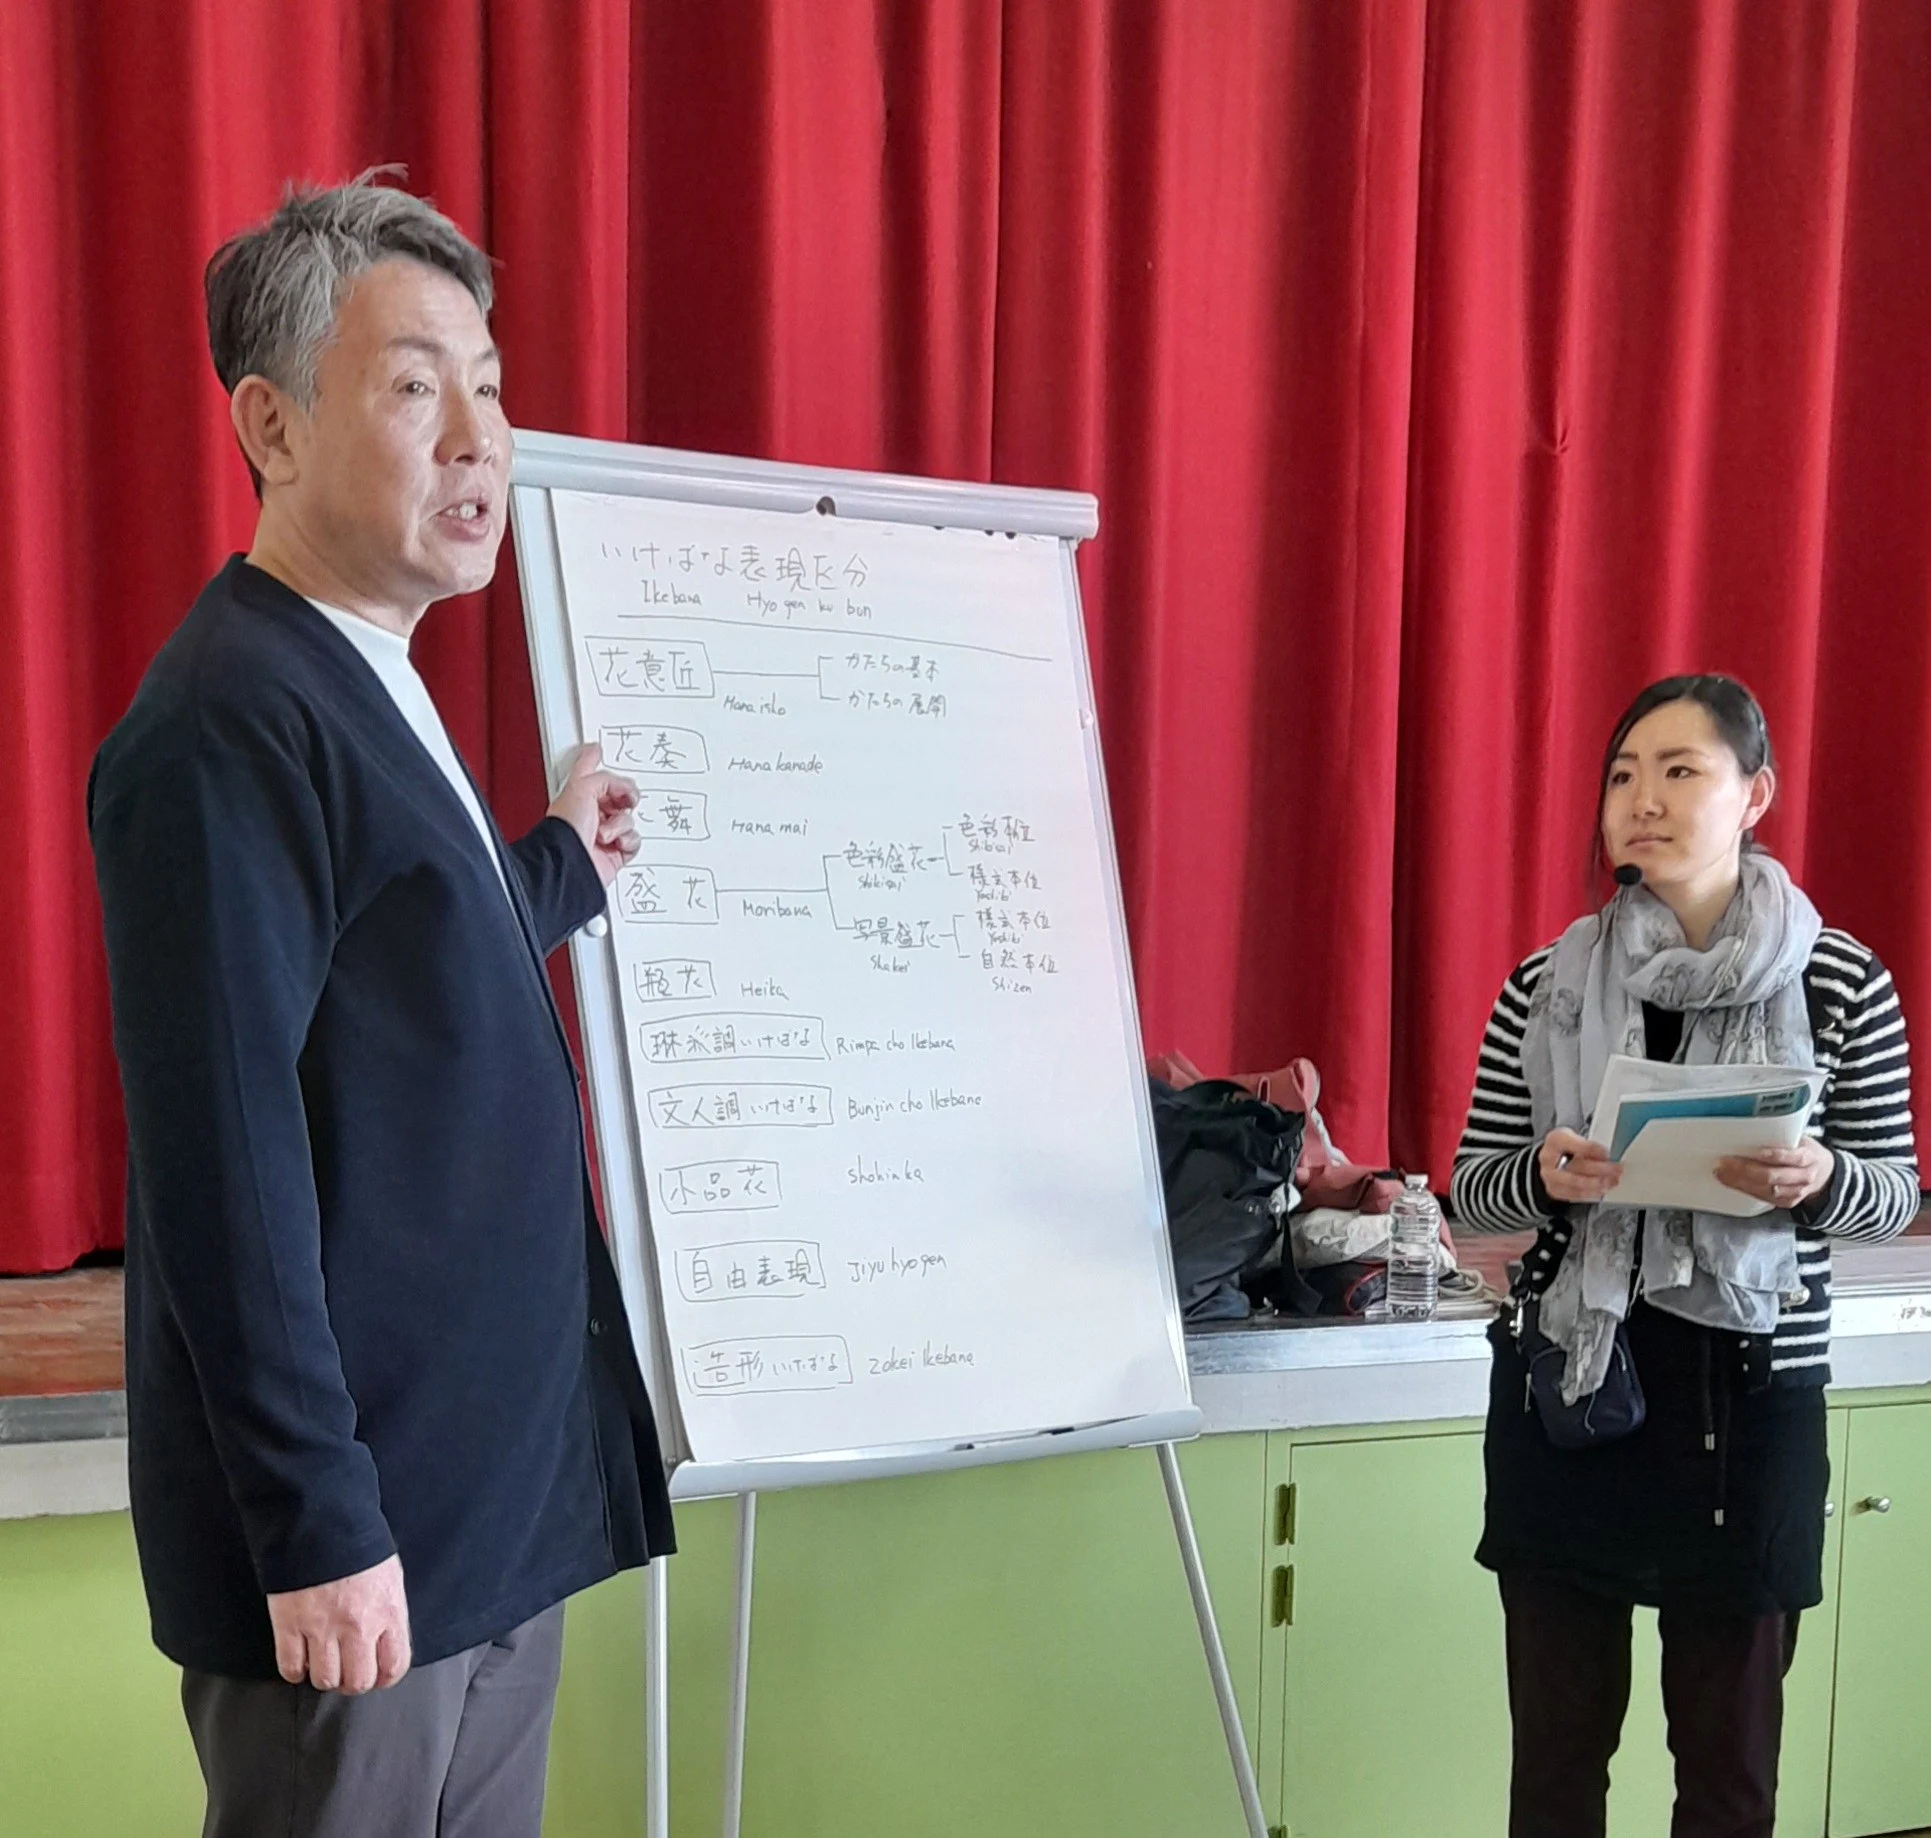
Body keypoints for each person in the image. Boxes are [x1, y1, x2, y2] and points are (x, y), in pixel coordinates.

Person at [88, 176, 675, 1838]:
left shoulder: (362, 667)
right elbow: (225, 1154)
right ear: (271, 427)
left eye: (488, 384)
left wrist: (555, 864)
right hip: (367, 1542)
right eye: (418, 388)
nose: (481, 439)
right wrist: (317, 1518)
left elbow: (398, 965)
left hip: (484, 1510)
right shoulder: (225, 724)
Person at [1451, 674, 1919, 1838]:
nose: (1641, 799)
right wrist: (1542, 1174)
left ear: (1753, 794)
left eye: (1677, 770)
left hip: (1748, 1399)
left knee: (1726, 1774)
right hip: (1572, 1385)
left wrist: (1817, 1177)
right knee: (1553, 1767)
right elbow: (1471, 1185)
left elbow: (1891, 1195)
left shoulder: (1839, 979)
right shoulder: (1543, 983)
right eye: (1621, 775)